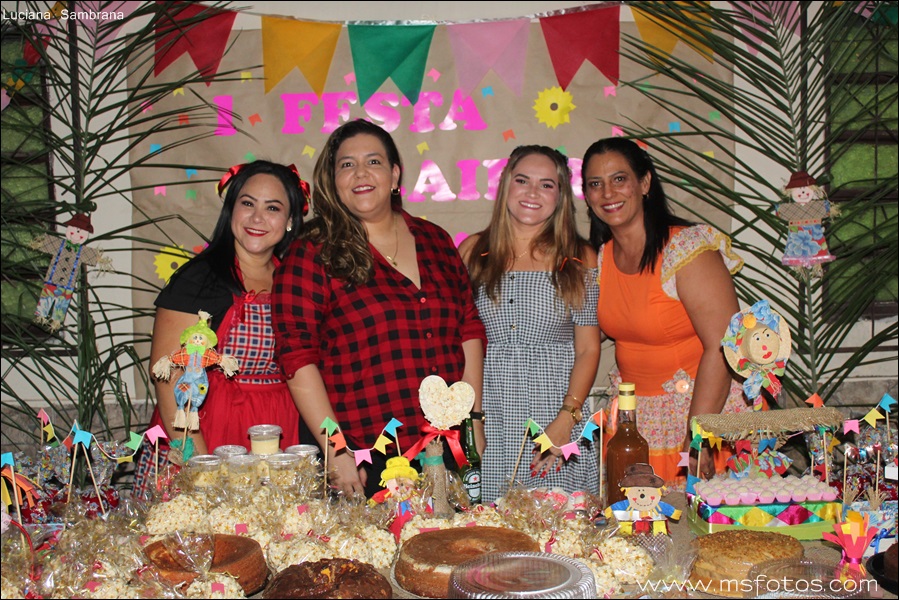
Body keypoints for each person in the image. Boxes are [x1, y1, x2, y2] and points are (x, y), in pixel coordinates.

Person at [272, 119, 486, 499]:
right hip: (365, 456)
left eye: (373, 161)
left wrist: (472, 421)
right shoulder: (312, 251)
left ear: (395, 174)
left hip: (445, 448)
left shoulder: (435, 240)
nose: (361, 173)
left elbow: (468, 328)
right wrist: (336, 449)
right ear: (333, 180)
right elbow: (296, 356)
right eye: (347, 164)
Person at [133, 160, 308, 499]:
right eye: (248, 203)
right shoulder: (198, 279)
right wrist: (201, 468)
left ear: (290, 221)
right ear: (231, 211)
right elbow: (168, 381)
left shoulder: (295, 281)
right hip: (208, 433)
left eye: (273, 208)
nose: (257, 218)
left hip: (277, 435)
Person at [581, 137, 748, 484]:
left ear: (644, 183)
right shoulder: (603, 257)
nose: (608, 193)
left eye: (619, 179)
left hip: (698, 413)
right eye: (595, 184)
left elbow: (724, 345)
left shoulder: (685, 247)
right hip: (636, 421)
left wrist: (699, 435)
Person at [459, 145, 600, 504]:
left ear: (560, 195)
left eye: (546, 184)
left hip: (554, 408)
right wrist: (471, 421)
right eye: (522, 180)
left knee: (557, 521)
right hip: (489, 411)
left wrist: (566, 420)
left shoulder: (579, 256)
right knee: (489, 524)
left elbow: (588, 348)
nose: (532, 192)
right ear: (506, 184)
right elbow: (460, 341)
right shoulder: (472, 252)